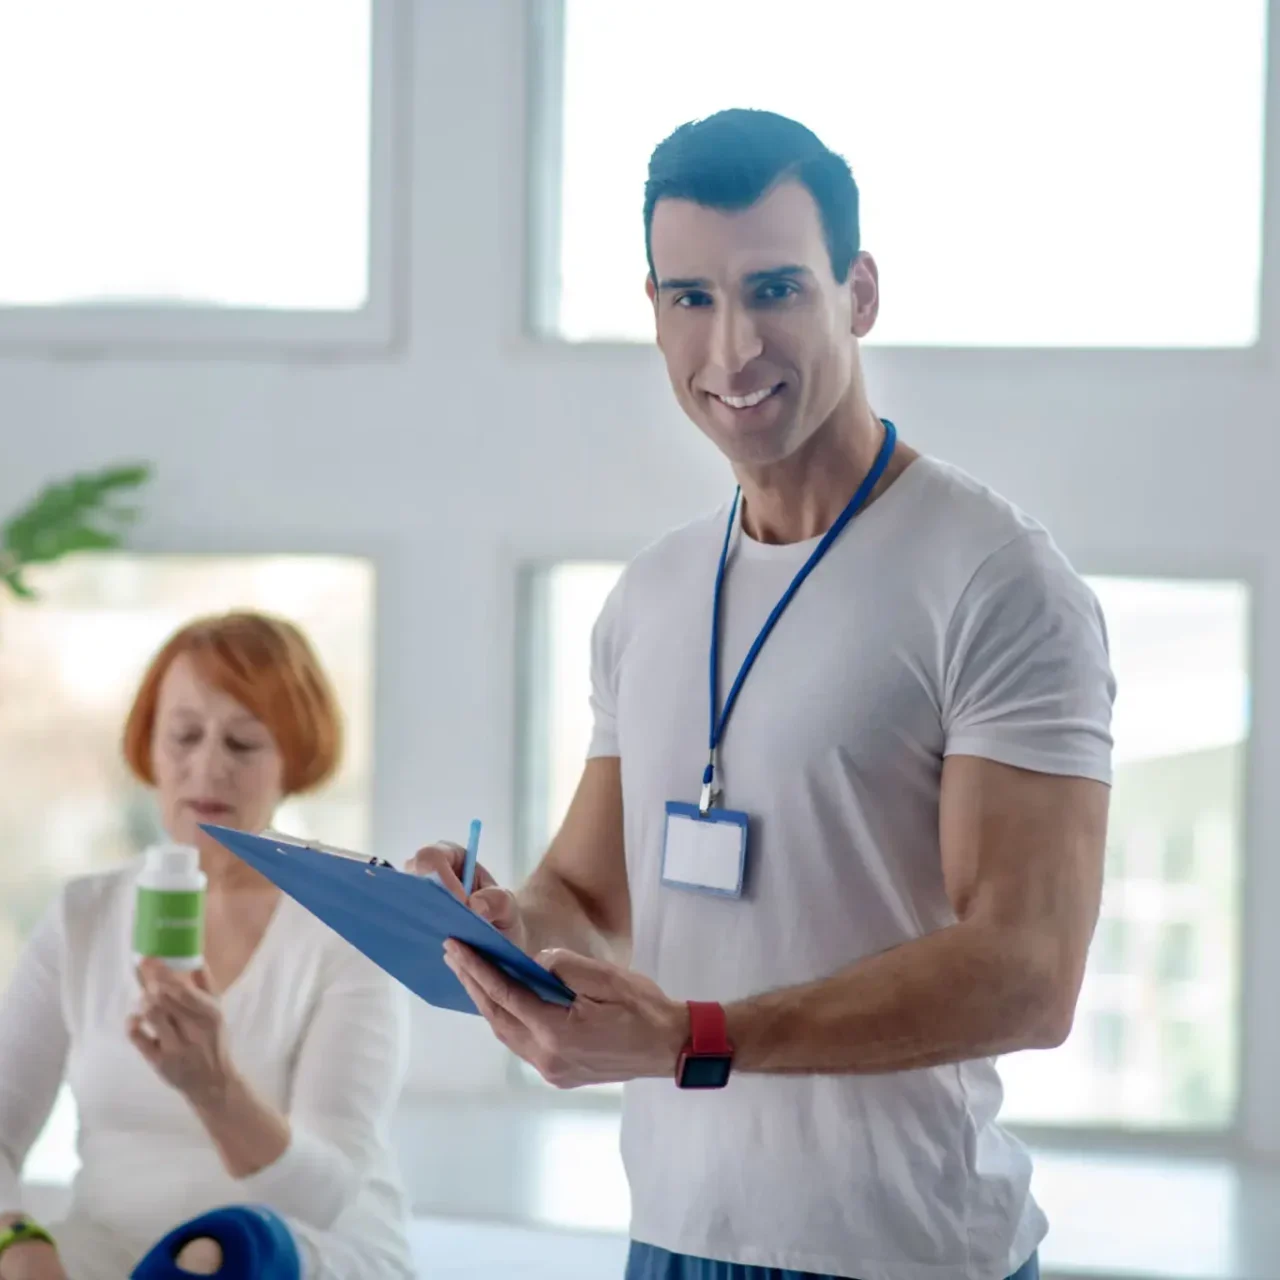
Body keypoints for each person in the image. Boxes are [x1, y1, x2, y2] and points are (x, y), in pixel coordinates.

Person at [412, 109, 1114, 1280]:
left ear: (860, 292)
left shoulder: (994, 579)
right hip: (672, 1238)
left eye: (773, 288)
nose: (730, 349)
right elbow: (586, 892)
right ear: (653, 311)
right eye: (690, 298)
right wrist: (503, 929)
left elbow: (1028, 969)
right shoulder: (652, 593)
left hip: (905, 1255)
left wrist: (698, 1037)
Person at [0, 612, 414, 1280]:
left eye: (244, 743)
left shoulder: (347, 925)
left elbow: (327, 1195)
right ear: (149, 750)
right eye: (184, 736)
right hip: (109, 1251)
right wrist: (14, 1239)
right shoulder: (84, 915)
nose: (208, 766)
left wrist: (215, 1088)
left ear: (294, 760)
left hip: (288, 1252)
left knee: (218, 1257)